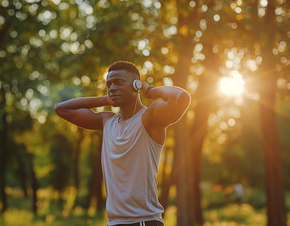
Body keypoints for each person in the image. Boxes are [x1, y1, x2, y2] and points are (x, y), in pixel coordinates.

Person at [55, 61, 190, 226]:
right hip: (114, 222)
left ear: (135, 85)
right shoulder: (107, 121)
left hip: (143, 221)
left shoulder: (149, 119)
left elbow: (181, 98)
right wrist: (106, 99)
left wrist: (149, 90)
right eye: (109, 84)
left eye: (118, 83)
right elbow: (61, 109)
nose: (112, 88)